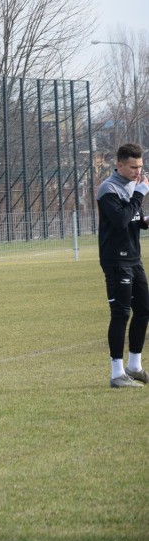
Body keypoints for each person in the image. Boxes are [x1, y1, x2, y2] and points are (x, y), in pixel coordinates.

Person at [97, 143, 149, 388]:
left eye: (140, 166)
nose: (138, 172)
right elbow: (119, 220)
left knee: (144, 310)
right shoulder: (108, 188)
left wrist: (144, 220)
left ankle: (134, 367)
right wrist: (139, 195)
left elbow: (131, 218)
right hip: (116, 260)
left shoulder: (132, 185)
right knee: (120, 314)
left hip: (133, 258)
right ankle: (117, 374)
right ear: (119, 165)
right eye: (133, 167)